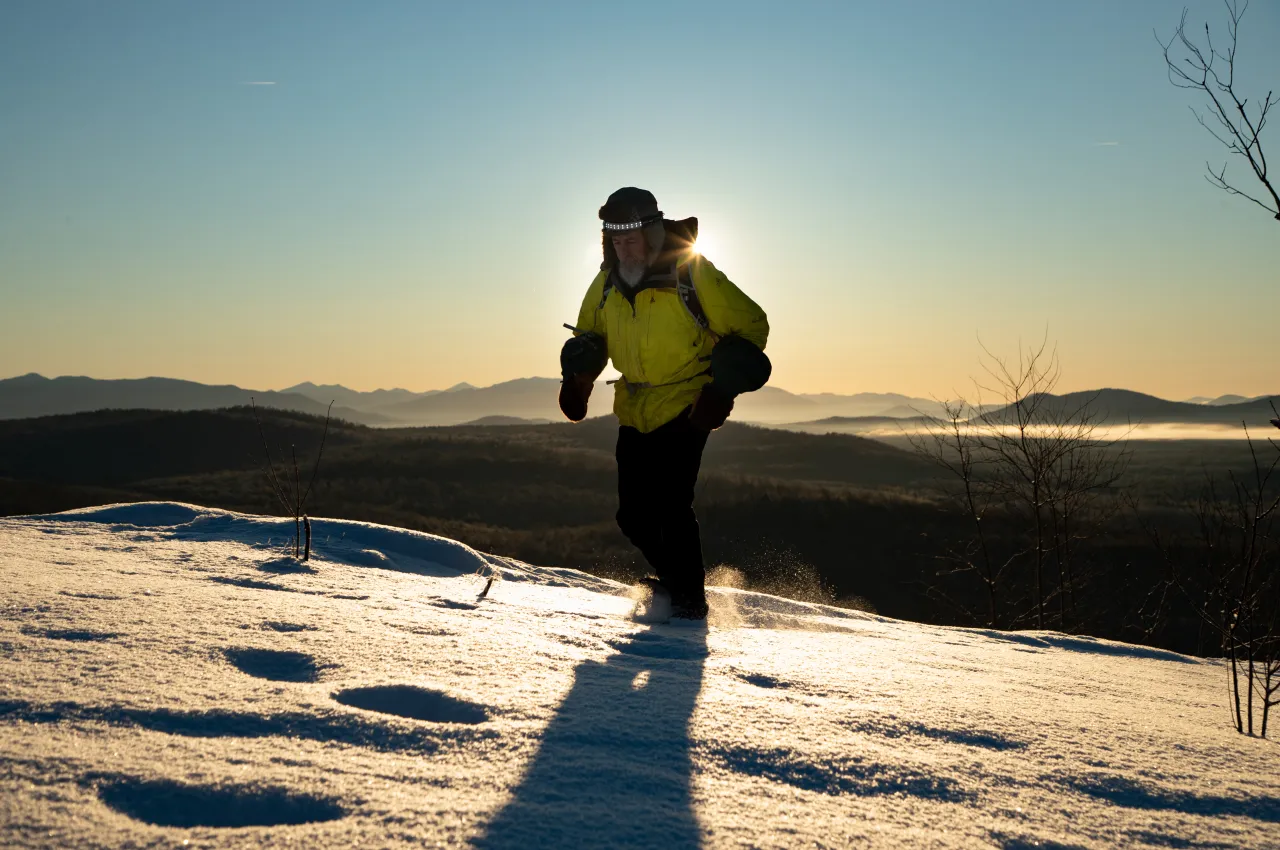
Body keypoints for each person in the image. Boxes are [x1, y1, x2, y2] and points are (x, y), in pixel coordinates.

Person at [558, 187, 771, 620]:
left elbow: (752, 326)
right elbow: (589, 337)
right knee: (632, 517)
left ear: (653, 232)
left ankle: (690, 602)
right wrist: (578, 381)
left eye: (631, 238)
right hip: (634, 408)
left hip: (687, 403)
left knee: (672, 506)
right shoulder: (606, 284)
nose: (623, 247)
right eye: (615, 240)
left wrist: (720, 390)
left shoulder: (690, 272)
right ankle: (677, 584)